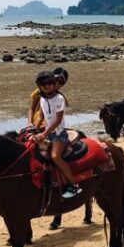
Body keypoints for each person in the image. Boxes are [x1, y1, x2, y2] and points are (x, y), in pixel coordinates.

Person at [33, 70, 82, 199]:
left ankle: (74, 185)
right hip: (48, 134)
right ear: (39, 86)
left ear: (54, 84)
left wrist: (44, 133)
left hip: (59, 134)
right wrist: (33, 129)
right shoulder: (42, 99)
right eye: (43, 84)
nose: (47, 86)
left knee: (55, 156)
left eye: (49, 83)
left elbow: (58, 120)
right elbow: (41, 117)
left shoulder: (59, 99)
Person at [28, 67, 69, 131]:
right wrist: (29, 123)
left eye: (61, 82)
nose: (58, 83)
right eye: (56, 79)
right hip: (35, 124)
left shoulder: (60, 98)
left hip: (49, 127)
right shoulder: (38, 93)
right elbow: (32, 109)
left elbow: (58, 119)